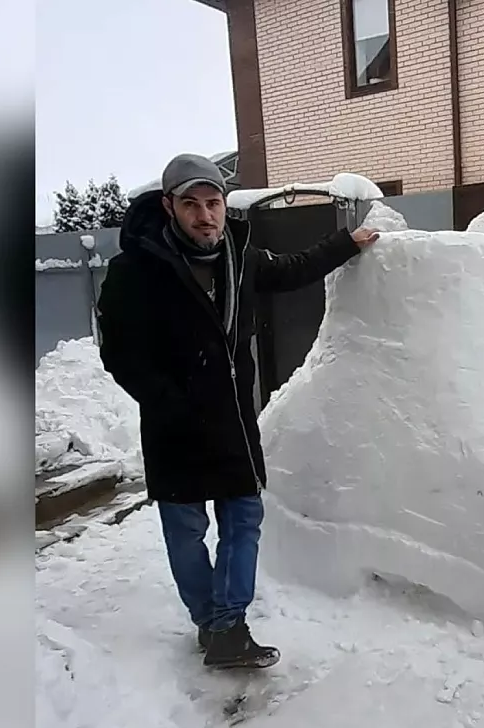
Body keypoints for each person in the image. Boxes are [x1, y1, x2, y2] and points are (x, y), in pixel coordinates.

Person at [97, 154, 378, 669]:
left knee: (244, 520)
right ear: (169, 206)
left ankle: (228, 625)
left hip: (232, 424)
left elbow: (292, 270)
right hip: (173, 427)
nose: (205, 215)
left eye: (213, 203)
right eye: (191, 204)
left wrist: (346, 243)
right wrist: (169, 403)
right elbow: (120, 354)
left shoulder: (239, 255)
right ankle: (211, 623)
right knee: (186, 532)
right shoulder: (134, 269)